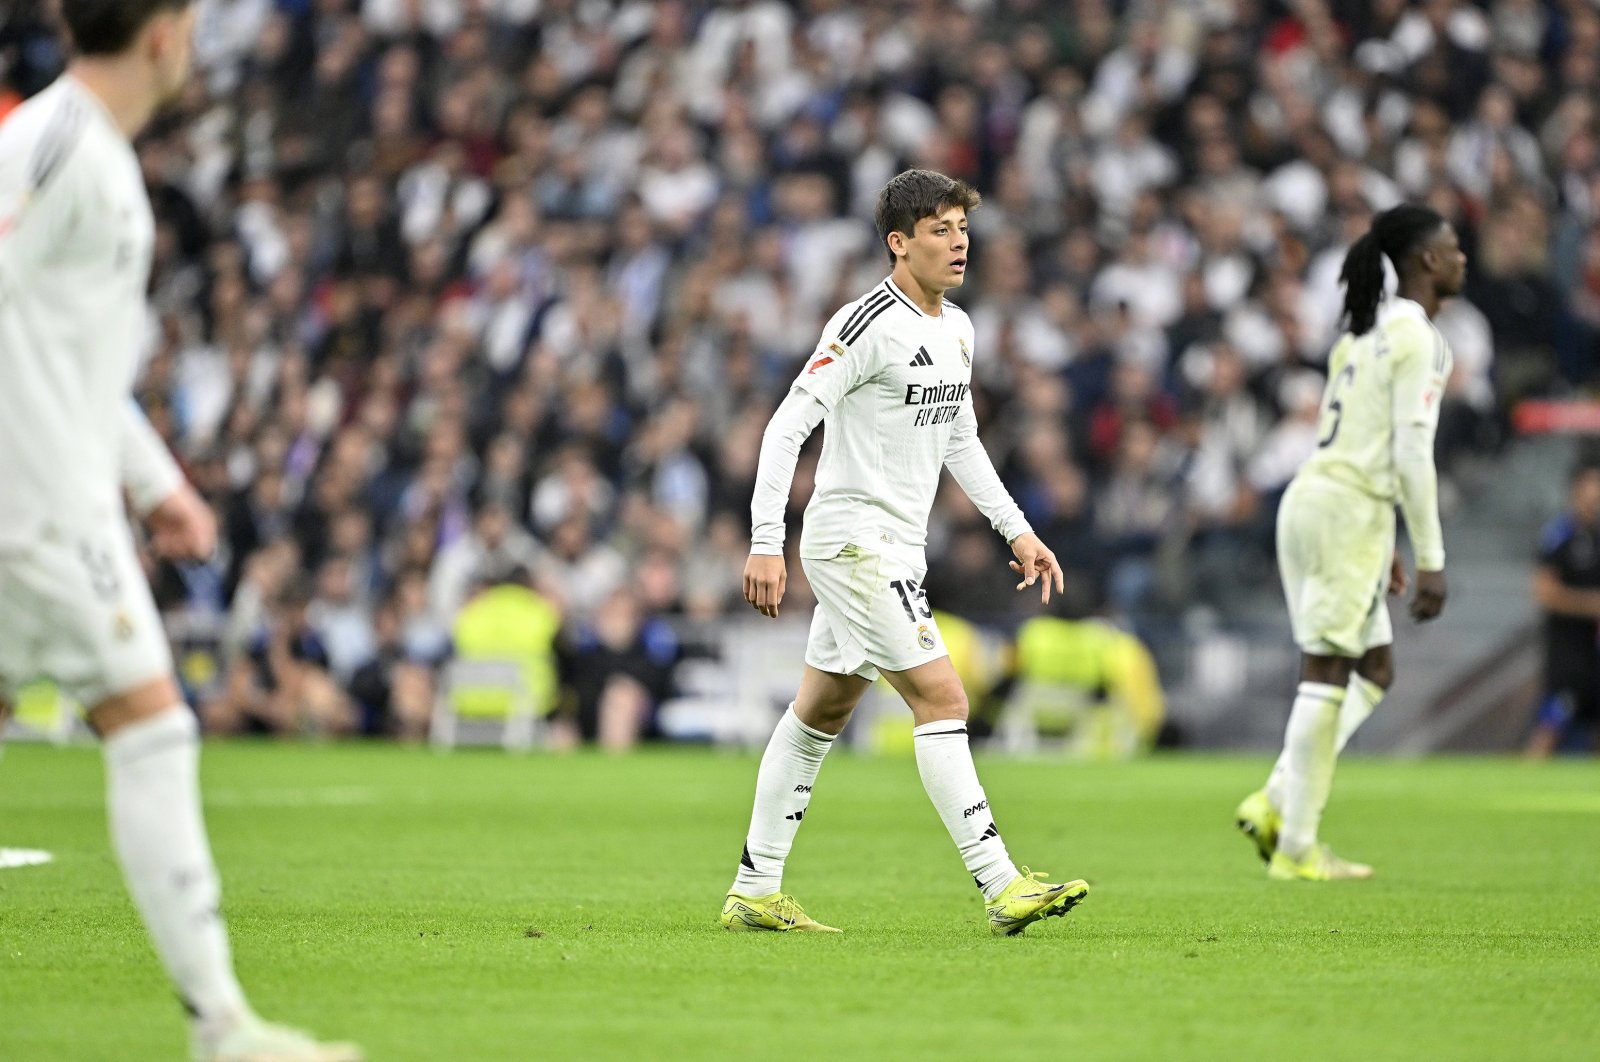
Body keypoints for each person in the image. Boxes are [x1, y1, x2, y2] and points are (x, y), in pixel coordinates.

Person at [0, 3, 359, 1058]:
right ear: (162, 36)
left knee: (148, 724)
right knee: (152, 727)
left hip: (58, 494)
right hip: (36, 510)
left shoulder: (87, 152)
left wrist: (157, 481)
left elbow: (75, 366)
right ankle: (223, 1025)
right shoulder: (57, 144)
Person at [720, 169, 1088, 937]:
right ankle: (1001, 883)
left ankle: (754, 887)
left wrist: (1016, 529)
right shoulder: (863, 325)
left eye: (963, 228)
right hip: (854, 542)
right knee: (944, 699)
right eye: (940, 230)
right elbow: (785, 428)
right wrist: (764, 543)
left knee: (819, 713)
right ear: (899, 243)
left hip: (895, 547)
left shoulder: (958, 328)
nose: (959, 243)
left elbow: (962, 438)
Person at [1235, 204, 1466, 881]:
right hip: (1347, 509)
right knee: (1329, 668)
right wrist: (1431, 557)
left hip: (1321, 502)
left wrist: (1380, 535)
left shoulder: (1359, 332)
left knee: (1376, 667)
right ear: (1427, 260)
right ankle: (1296, 846)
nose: (1462, 257)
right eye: (1452, 246)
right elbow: (1410, 452)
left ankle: (1278, 797)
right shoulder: (1418, 337)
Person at [1525, 464, 1600, 758]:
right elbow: (1543, 591)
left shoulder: (1597, 537)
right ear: (1575, 490)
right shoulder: (1559, 534)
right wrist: (1590, 604)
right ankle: (1522, 787)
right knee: (1551, 726)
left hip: (1595, 654)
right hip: (1567, 656)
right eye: (1591, 485)